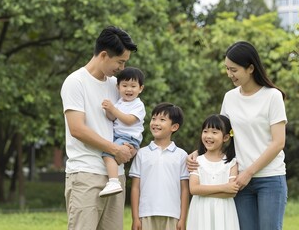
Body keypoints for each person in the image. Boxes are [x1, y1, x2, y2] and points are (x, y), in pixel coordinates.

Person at [188, 41, 287, 230]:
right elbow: (221, 134)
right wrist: (198, 152)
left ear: (250, 68)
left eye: (233, 69)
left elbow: (278, 142)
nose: (229, 74)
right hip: (238, 180)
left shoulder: (272, 96)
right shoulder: (230, 97)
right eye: (227, 69)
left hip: (269, 178)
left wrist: (249, 173)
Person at [60, 26, 138, 230]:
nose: (122, 68)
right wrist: (114, 149)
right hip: (85, 174)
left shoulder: (116, 85)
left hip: (116, 175)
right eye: (120, 62)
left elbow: (128, 121)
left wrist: (130, 148)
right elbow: (77, 129)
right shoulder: (75, 82)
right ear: (104, 55)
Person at [129, 102, 189, 230]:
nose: (155, 123)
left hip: (172, 215)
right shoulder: (141, 153)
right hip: (145, 214)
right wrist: (135, 218)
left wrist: (182, 219)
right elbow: (135, 188)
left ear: (174, 127)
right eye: (153, 118)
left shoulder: (182, 155)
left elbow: (184, 190)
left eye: (162, 120)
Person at [186, 114, 240, 230]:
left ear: (225, 137)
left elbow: (232, 192)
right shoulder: (197, 161)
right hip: (201, 211)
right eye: (205, 131)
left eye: (214, 132)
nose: (208, 136)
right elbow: (194, 189)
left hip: (224, 212)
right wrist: (224, 187)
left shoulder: (231, 163)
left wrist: (204, 191)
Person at [99, 67, 146, 197]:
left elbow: (129, 120)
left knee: (108, 155)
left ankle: (113, 182)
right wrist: (108, 110)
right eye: (124, 85)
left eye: (133, 86)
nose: (129, 89)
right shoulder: (120, 102)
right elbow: (112, 118)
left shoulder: (138, 105)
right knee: (114, 156)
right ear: (118, 87)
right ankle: (113, 180)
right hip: (120, 137)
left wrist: (113, 109)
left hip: (129, 138)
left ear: (140, 88)